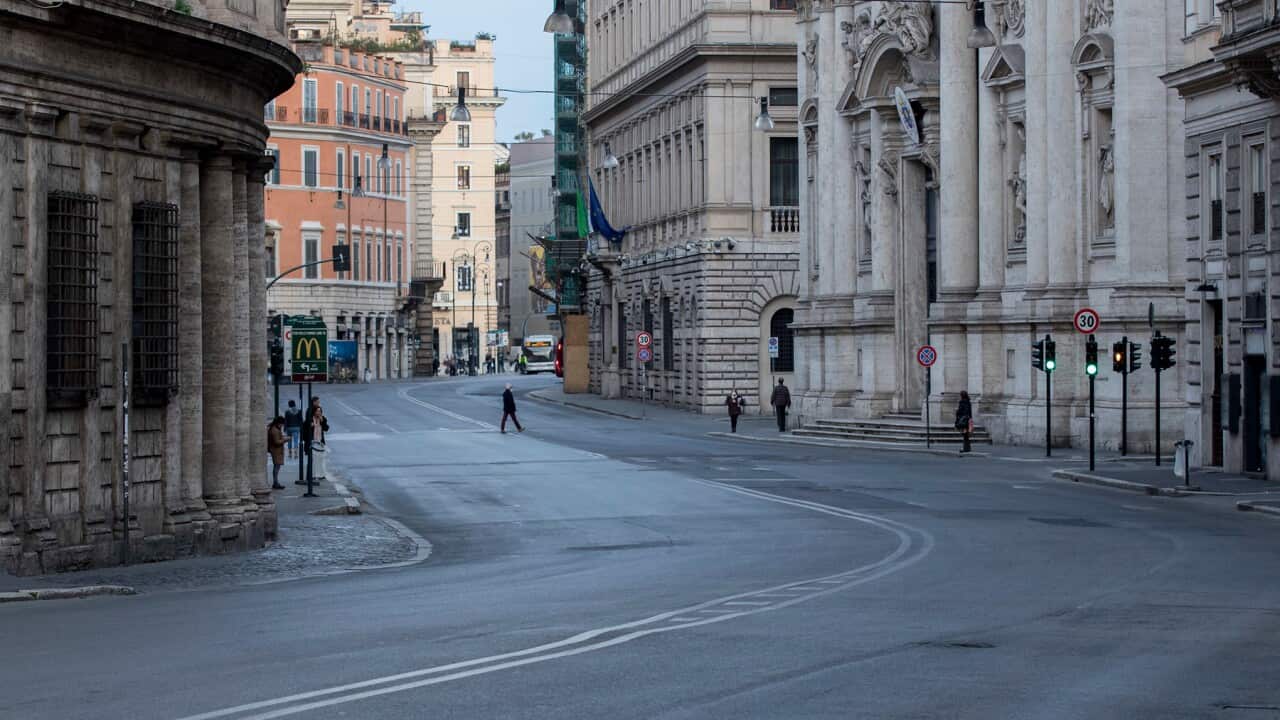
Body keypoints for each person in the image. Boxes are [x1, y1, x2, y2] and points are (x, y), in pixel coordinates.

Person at [298, 405, 329, 484]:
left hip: (320, 442)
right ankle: (313, 475)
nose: (319, 413)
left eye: (320, 411)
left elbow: (326, 429)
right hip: (311, 442)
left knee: (320, 459)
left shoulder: (323, 419)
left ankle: (320, 474)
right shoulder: (309, 420)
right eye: (317, 411)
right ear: (314, 412)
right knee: (313, 460)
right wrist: (310, 427)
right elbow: (304, 431)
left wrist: (322, 421)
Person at [267, 416, 287, 489]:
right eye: (282, 424)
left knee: (277, 466)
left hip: (276, 450)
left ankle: (276, 482)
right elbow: (277, 441)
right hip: (276, 450)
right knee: (276, 466)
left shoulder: (274, 429)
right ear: (278, 423)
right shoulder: (274, 430)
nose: (282, 425)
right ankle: (275, 482)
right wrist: (285, 439)